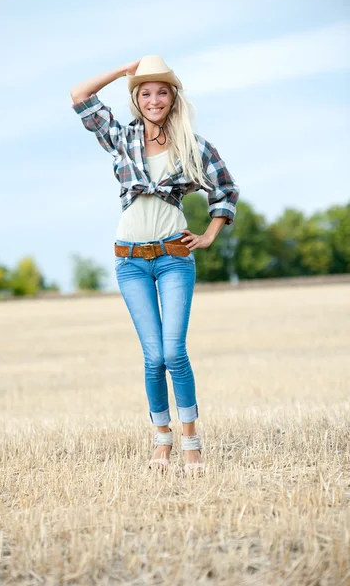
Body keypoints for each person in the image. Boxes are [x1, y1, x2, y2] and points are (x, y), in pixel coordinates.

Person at [70, 55, 239, 475]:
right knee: (151, 357)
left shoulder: (193, 144)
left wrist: (208, 235)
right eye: (145, 92)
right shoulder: (119, 138)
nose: (154, 99)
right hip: (129, 259)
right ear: (136, 99)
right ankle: (161, 441)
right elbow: (80, 95)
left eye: (162, 91)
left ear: (173, 97)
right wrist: (123, 70)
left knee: (173, 352)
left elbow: (226, 189)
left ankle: (191, 444)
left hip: (173, 257)